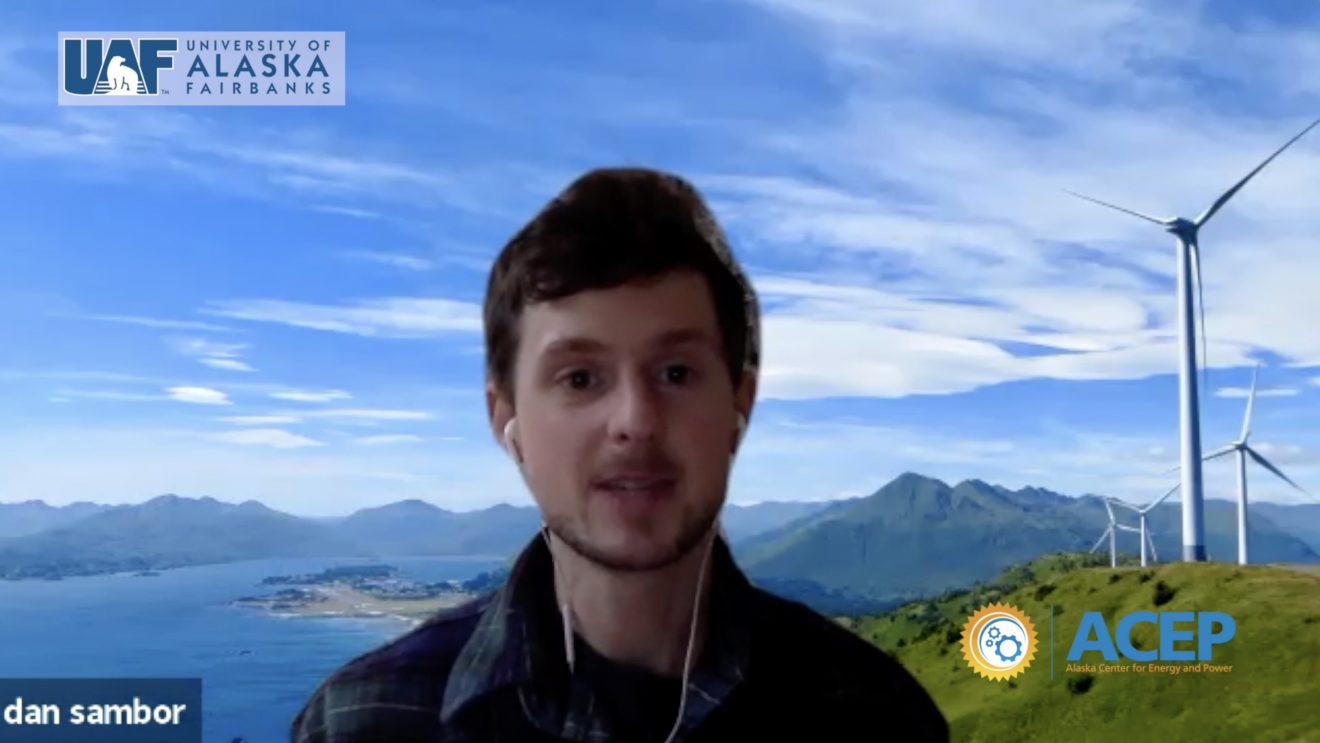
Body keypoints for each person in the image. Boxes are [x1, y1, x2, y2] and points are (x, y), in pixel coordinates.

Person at [290, 167, 948, 742]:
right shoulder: (362, 722)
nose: (634, 421)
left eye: (676, 373)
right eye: (580, 377)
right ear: (507, 420)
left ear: (738, 407)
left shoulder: (876, 717)